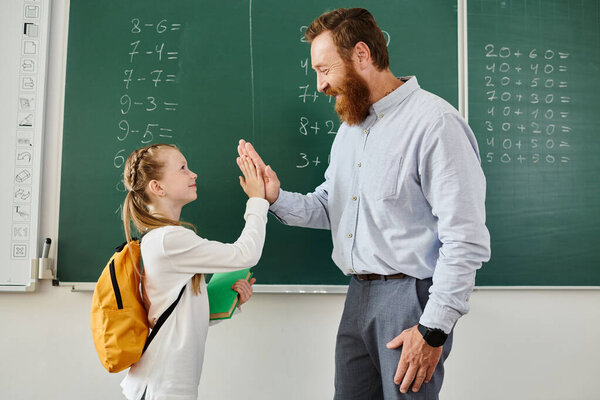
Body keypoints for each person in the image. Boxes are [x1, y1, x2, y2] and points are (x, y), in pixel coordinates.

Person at [237, 7, 490, 399]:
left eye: (324, 70)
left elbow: (466, 239)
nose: (320, 85)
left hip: (411, 299)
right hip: (358, 296)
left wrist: (433, 329)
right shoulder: (351, 128)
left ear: (361, 55)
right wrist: (274, 197)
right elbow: (331, 206)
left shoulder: (435, 123)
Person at [119, 143, 269, 400]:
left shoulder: (161, 239)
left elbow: (181, 317)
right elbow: (246, 254)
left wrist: (229, 301)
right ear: (158, 187)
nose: (193, 174)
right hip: (162, 387)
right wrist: (258, 200)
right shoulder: (169, 240)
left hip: (164, 384)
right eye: (182, 168)